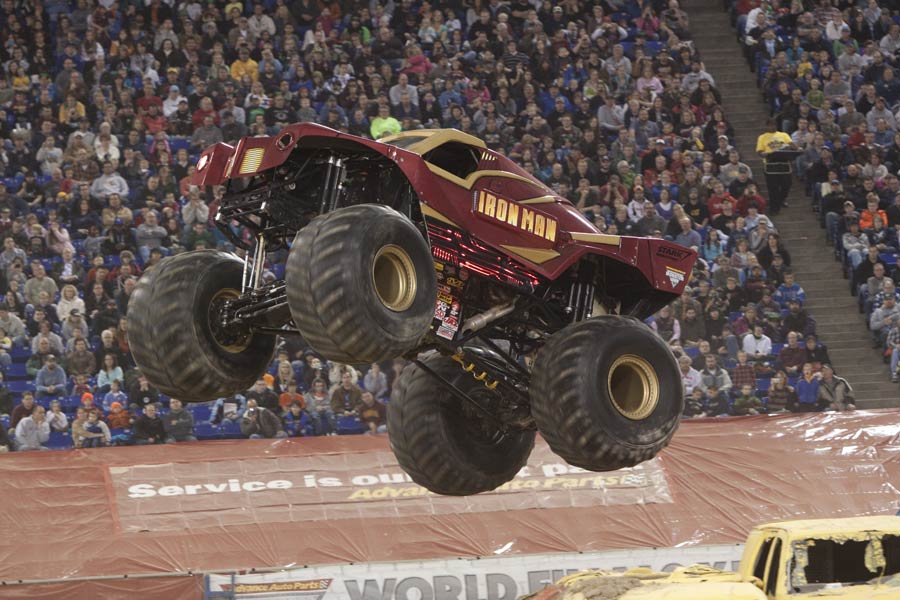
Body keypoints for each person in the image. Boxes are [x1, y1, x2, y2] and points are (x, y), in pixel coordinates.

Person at [755, 117, 796, 215]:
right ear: (767, 126)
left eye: (774, 124)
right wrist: (764, 154)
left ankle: (780, 200)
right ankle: (774, 209)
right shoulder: (762, 137)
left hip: (784, 163)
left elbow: (792, 145)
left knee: (787, 184)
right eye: (770, 125)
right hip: (770, 165)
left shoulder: (784, 135)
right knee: (773, 188)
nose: (772, 126)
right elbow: (760, 151)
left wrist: (793, 147)